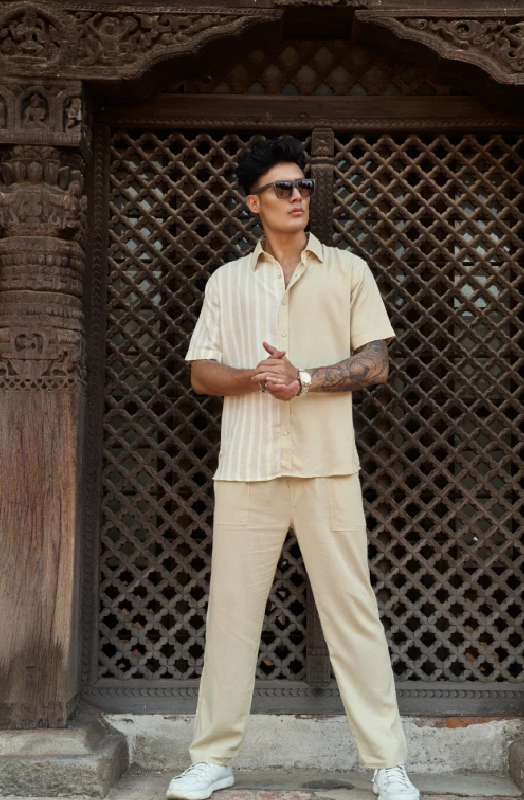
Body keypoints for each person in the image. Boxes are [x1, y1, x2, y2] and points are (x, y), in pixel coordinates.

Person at [166, 137, 420, 800]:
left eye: (302, 185)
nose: (297, 195)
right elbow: (201, 373)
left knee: (354, 614)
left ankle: (386, 762)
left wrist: (301, 379)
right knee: (230, 618)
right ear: (253, 203)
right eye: (282, 188)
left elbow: (376, 363)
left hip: (327, 468)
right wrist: (258, 376)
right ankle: (212, 759)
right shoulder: (226, 281)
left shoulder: (348, 271)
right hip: (246, 468)